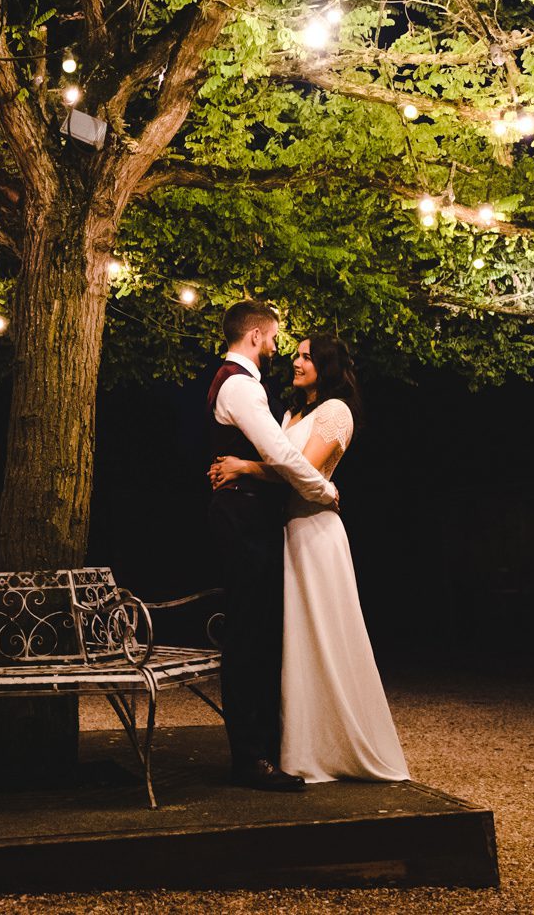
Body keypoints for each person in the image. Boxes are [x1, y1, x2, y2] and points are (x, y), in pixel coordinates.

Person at [210, 333, 409, 783]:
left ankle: (335, 741)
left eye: (306, 357)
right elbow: (284, 461)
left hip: (316, 530)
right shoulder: (291, 412)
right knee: (292, 640)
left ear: (327, 364)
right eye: (296, 355)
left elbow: (302, 471)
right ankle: (296, 738)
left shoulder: (335, 412)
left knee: (323, 633)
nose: (296, 363)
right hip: (286, 531)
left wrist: (243, 467)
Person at [201, 301, 340, 792]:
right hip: (242, 517)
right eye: (276, 337)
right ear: (257, 335)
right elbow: (278, 453)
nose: (279, 348)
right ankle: (251, 760)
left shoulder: (240, 384)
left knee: (258, 634)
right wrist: (323, 490)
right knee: (249, 637)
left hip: (247, 514)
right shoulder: (240, 386)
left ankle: (265, 747)